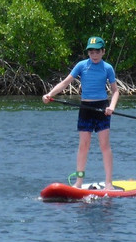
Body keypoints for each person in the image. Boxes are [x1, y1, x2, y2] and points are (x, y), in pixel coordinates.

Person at [42, 36, 120, 189]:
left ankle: (109, 182)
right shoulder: (81, 65)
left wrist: (111, 106)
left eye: (97, 51)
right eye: (91, 52)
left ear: (103, 51)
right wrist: (50, 94)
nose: (94, 55)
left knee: (104, 145)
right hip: (85, 108)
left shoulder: (107, 68)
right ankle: (79, 182)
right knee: (83, 146)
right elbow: (65, 82)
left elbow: (115, 91)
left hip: (102, 109)